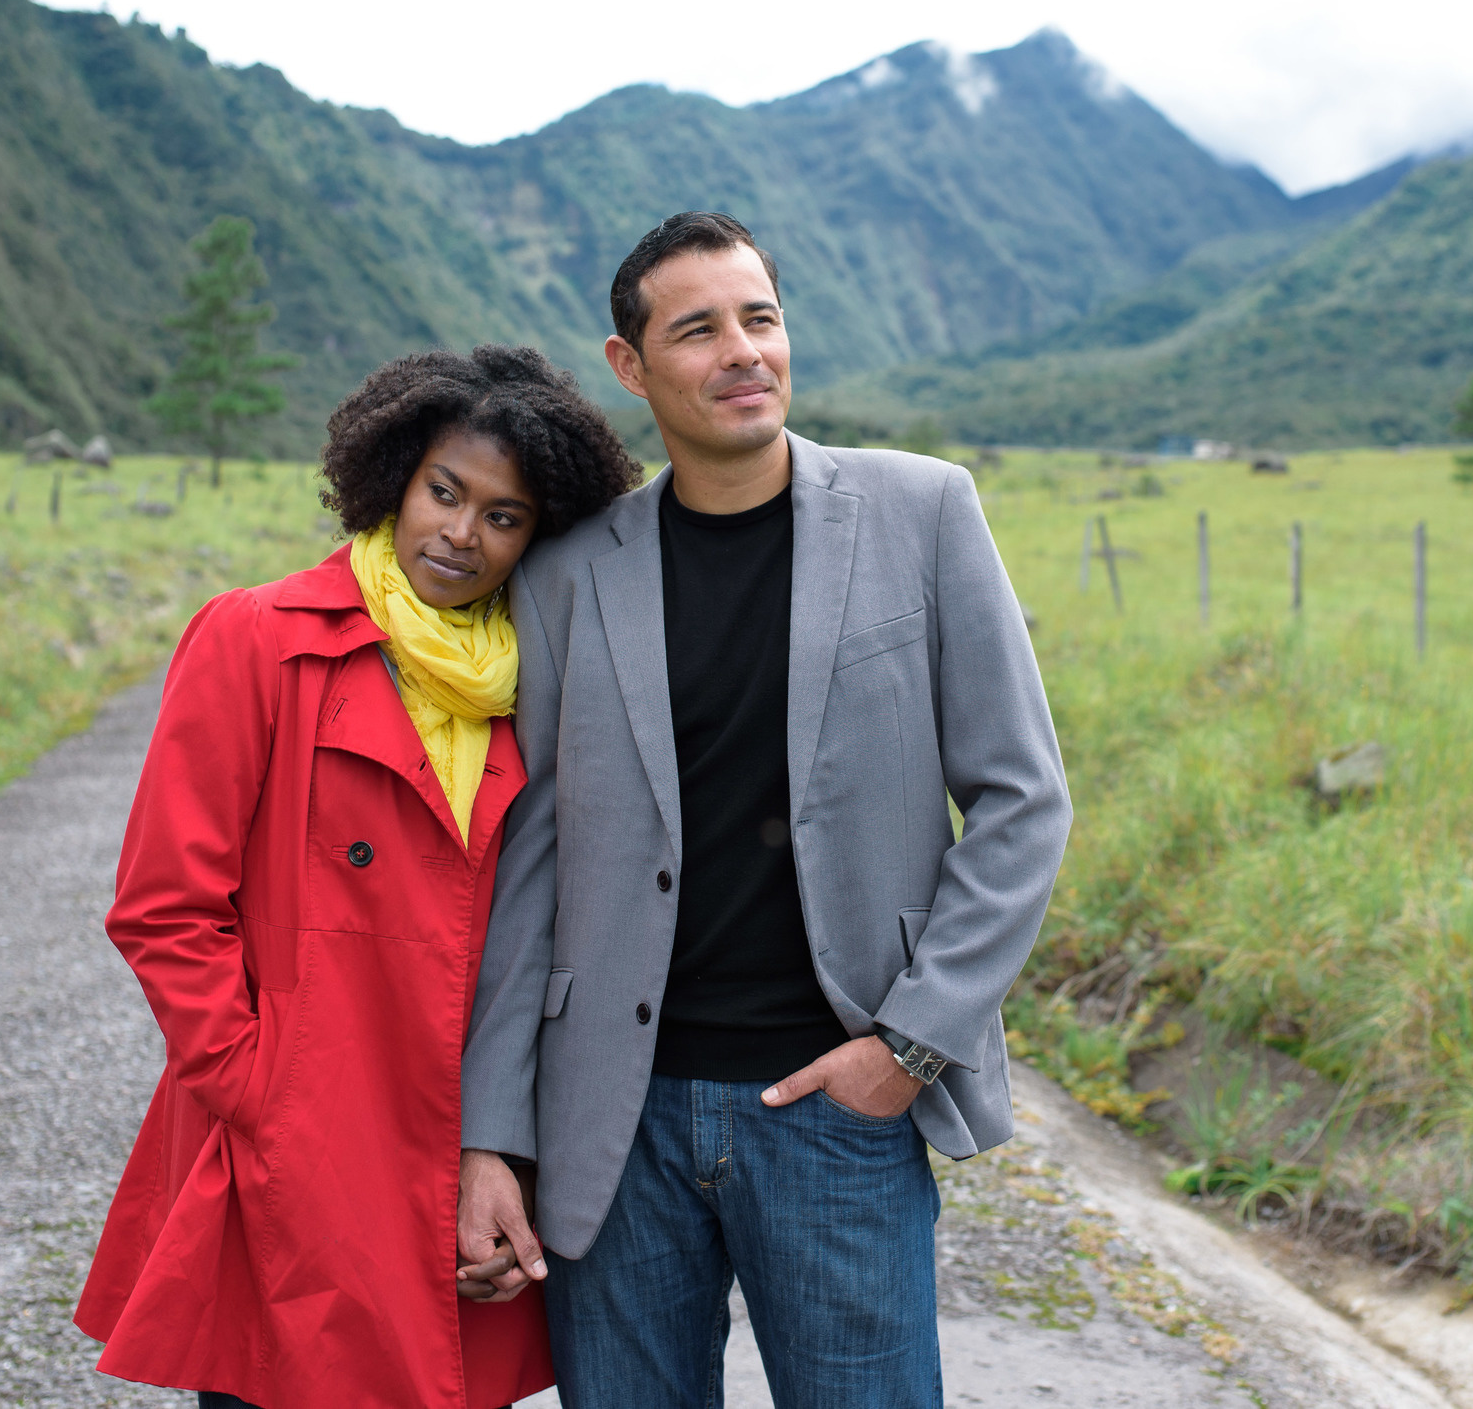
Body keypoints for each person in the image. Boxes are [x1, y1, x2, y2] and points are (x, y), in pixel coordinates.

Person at [454, 213, 1072, 1407]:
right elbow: (528, 861)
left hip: (835, 1108)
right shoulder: (569, 570)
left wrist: (904, 1047)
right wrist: (491, 1131)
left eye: (761, 318)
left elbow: (1021, 797)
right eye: (698, 329)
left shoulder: (923, 511)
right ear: (630, 366)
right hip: (610, 1126)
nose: (743, 350)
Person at [74, 346, 640, 1409]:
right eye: (444, 491)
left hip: (457, 1138)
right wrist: (264, 1087)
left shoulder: (541, 678)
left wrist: (501, 1134)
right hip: (297, 1139)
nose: (461, 533)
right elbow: (162, 907)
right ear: (393, 476)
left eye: (504, 515)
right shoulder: (257, 638)